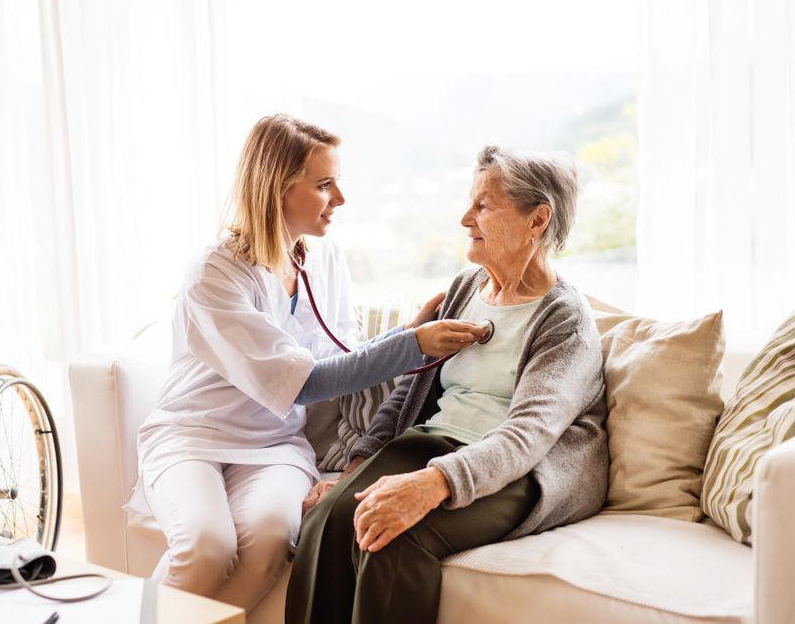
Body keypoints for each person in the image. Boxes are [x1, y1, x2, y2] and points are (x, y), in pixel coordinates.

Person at [131, 114, 485, 612]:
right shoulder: (216, 274)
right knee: (205, 547)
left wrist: (407, 333)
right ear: (277, 188)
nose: (340, 198)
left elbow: (342, 355)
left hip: (273, 445)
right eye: (324, 185)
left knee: (271, 539)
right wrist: (414, 345)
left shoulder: (321, 258)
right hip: (194, 438)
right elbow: (304, 383)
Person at [286, 146, 609, 624]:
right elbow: (409, 394)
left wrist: (433, 484)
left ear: (537, 220)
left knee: (390, 534)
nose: (465, 218)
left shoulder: (564, 319)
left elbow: (528, 436)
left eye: (483, 205)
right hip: (435, 445)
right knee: (329, 518)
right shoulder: (465, 288)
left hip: (520, 471)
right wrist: (355, 468)